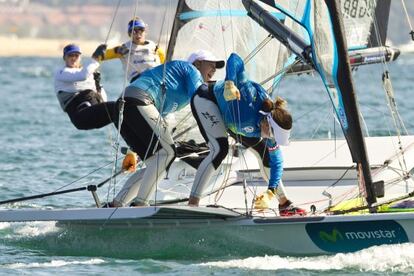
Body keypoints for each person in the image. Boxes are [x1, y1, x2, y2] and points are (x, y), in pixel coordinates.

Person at [189, 52, 306, 216]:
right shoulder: (250, 96)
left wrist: (270, 191)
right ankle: (192, 204)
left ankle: (284, 204)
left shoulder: (268, 131)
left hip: (234, 124)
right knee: (220, 149)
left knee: (266, 154)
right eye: (272, 134)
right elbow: (235, 59)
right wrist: (230, 82)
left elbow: (277, 162)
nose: (271, 138)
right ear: (267, 122)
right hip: (207, 100)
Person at [107, 49, 225, 207]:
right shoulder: (190, 69)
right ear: (198, 63)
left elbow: (146, 122)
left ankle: (116, 205)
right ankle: (140, 204)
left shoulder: (178, 85)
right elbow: (201, 96)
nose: (214, 70)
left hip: (122, 108)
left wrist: (131, 151)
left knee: (155, 162)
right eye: (211, 65)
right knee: (168, 154)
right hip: (139, 100)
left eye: (216, 68)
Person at [54, 44, 117, 130]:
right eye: (70, 55)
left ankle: (133, 141)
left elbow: (104, 101)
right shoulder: (61, 72)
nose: (73, 58)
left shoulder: (87, 73)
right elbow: (82, 75)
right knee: (116, 107)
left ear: (80, 57)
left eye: (76, 55)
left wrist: (98, 85)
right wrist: (95, 58)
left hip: (95, 113)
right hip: (80, 117)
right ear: (64, 57)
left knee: (121, 110)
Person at [94, 17, 165, 83]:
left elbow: (165, 62)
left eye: (141, 30)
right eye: (134, 31)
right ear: (129, 34)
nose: (138, 34)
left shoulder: (154, 47)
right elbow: (100, 55)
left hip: (156, 79)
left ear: (145, 32)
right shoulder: (124, 48)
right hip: (138, 82)